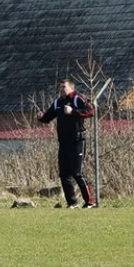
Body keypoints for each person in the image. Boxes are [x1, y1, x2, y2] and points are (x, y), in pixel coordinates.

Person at [37, 79, 97, 209]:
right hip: (63, 142)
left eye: (64, 87)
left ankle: (90, 202)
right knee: (64, 174)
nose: (61, 89)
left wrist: (73, 112)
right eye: (60, 87)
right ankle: (72, 203)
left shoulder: (77, 99)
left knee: (77, 172)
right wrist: (41, 117)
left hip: (77, 141)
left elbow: (91, 111)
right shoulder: (58, 102)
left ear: (71, 88)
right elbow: (48, 117)